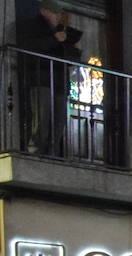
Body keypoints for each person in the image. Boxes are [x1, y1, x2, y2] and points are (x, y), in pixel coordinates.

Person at [16, 0, 83, 156]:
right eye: (56, 13)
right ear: (45, 11)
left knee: (59, 122)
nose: (59, 17)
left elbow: (71, 58)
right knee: (42, 121)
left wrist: (76, 49)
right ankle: (36, 153)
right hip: (42, 81)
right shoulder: (32, 26)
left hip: (59, 83)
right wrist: (55, 39)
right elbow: (28, 48)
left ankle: (51, 155)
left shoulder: (60, 31)